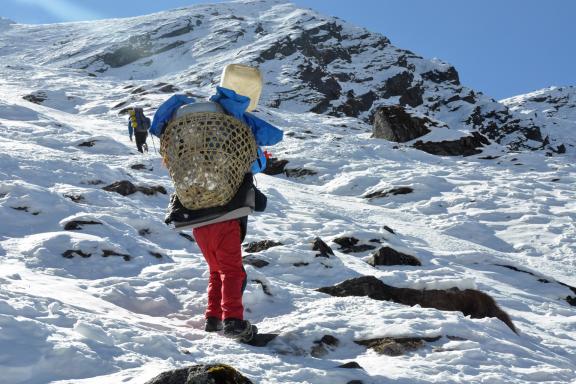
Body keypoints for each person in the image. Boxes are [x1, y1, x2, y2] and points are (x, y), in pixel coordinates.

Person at [149, 64, 283, 342]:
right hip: (226, 215)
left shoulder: (190, 130)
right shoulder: (236, 120)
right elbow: (274, 137)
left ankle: (212, 319)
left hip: (197, 216)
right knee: (233, 271)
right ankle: (233, 320)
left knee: (216, 271)